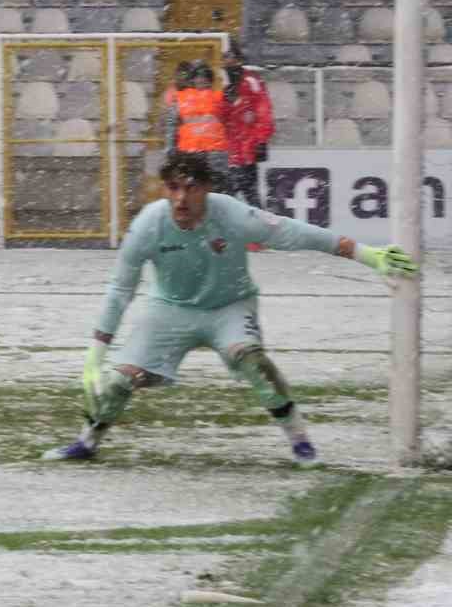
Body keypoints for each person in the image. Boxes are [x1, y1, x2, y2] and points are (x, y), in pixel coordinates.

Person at [42, 152, 417, 468]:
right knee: (117, 381)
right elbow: (120, 289)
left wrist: (366, 254)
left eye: (191, 188)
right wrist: (97, 352)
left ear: (207, 188)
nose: (181, 198)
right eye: (173, 188)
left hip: (230, 305)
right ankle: (86, 442)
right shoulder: (148, 225)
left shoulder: (231, 214)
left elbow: (294, 232)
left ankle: (300, 440)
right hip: (169, 309)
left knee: (253, 361)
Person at [222, 41, 274, 207]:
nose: (226, 61)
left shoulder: (251, 81)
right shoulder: (226, 84)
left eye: (229, 57)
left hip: (247, 151)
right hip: (231, 153)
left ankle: (258, 222)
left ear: (238, 59)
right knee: (232, 198)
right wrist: (226, 103)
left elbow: (264, 111)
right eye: (225, 57)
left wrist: (261, 140)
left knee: (249, 198)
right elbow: (224, 119)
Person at [164, 60, 229, 182]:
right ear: (192, 80)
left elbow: (231, 121)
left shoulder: (220, 97)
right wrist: (170, 147)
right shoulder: (180, 97)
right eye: (198, 76)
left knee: (216, 187)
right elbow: (171, 125)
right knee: (193, 187)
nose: (201, 80)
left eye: (204, 76)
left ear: (210, 80)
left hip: (215, 153)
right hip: (190, 152)